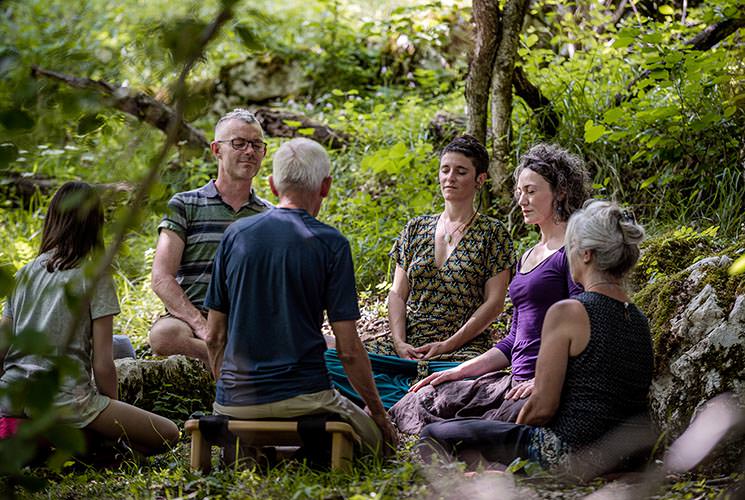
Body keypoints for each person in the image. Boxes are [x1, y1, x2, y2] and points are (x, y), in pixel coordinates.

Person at [418, 200, 654, 474]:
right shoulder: (638, 318)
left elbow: (542, 407)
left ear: (587, 254)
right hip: (631, 458)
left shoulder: (569, 312)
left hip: (570, 454)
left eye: (572, 247)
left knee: (434, 434)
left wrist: (512, 438)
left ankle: (488, 482)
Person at [204, 138, 398, 457]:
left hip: (235, 402)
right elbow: (348, 349)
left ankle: (272, 454)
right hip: (306, 399)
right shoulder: (330, 243)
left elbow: (214, 336)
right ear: (325, 187)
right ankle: (298, 455)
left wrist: (227, 394)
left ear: (271, 184)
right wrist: (378, 413)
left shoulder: (234, 236)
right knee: (376, 444)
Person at [390, 143, 589, 432]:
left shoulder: (574, 251)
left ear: (560, 192)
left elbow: (587, 329)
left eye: (531, 191)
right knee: (424, 398)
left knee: (449, 432)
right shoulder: (528, 256)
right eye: (520, 191)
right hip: (513, 380)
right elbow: (513, 342)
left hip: (543, 387)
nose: (522, 200)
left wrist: (544, 382)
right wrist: (458, 372)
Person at [326, 135, 514, 409]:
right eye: (445, 169)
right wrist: (400, 342)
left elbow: (494, 304)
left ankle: (398, 394)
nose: (450, 177)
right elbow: (397, 294)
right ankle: (409, 393)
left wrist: (448, 344)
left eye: (461, 171)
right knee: (331, 359)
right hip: (409, 344)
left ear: (480, 180)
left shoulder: (493, 234)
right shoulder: (416, 228)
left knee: (466, 383)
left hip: (461, 348)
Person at [0, 182, 179, 455]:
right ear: (95, 224)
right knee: (168, 433)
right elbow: (103, 363)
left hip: (13, 396)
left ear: (52, 221)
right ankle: (58, 438)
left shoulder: (24, 274)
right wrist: (113, 421)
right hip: (66, 400)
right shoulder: (94, 276)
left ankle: (25, 434)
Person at [149, 108, 272, 364]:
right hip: (194, 320)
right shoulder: (184, 204)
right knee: (164, 335)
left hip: (249, 322)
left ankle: (236, 360)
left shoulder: (270, 215)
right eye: (239, 143)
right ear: (217, 150)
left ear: (264, 152)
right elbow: (161, 277)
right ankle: (241, 362)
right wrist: (205, 329)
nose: (249, 151)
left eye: (256, 145)